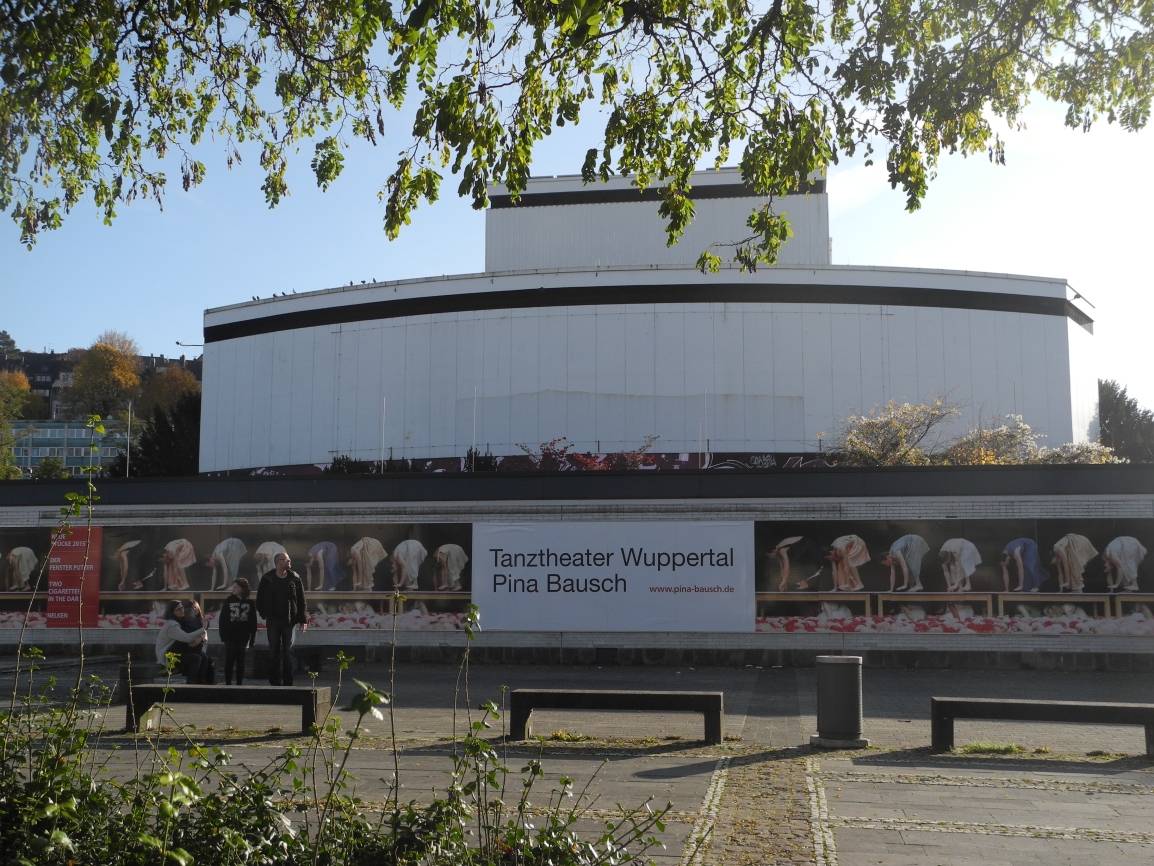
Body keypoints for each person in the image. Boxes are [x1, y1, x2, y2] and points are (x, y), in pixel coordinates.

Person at [256, 552, 308, 686]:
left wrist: (303, 619)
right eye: (286, 560)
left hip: (289, 621)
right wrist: (264, 613)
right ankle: (274, 682)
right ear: (278, 562)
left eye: (289, 560)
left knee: (288, 651)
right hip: (273, 620)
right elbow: (260, 598)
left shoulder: (295, 577)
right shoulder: (267, 578)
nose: (289, 562)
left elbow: (301, 600)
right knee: (273, 650)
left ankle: (288, 682)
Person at [155, 600, 208, 683]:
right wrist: (203, 629)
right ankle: (190, 684)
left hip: (175, 651)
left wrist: (202, 636)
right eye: (178, 609)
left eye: (182, 608)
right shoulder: (172, 625)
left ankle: (201, 683)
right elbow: (187, 638)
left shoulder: (179, 621)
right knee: (195, 658)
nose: (182, 610)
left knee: (203, 656)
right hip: (167, 656)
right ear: (172, 612)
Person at [218, 577, 258, 685]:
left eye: (236, 587)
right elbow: (223, 619)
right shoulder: (228, 601)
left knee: (241, 661)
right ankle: (228, 683)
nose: (233, 589)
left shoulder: (250, 603)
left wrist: (252, 638)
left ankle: (239, 684)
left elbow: (253, 621)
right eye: (233, 586)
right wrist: (223, 636)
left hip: (243, 637)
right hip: (230, 637)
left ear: (242, 589)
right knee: (229, 660)